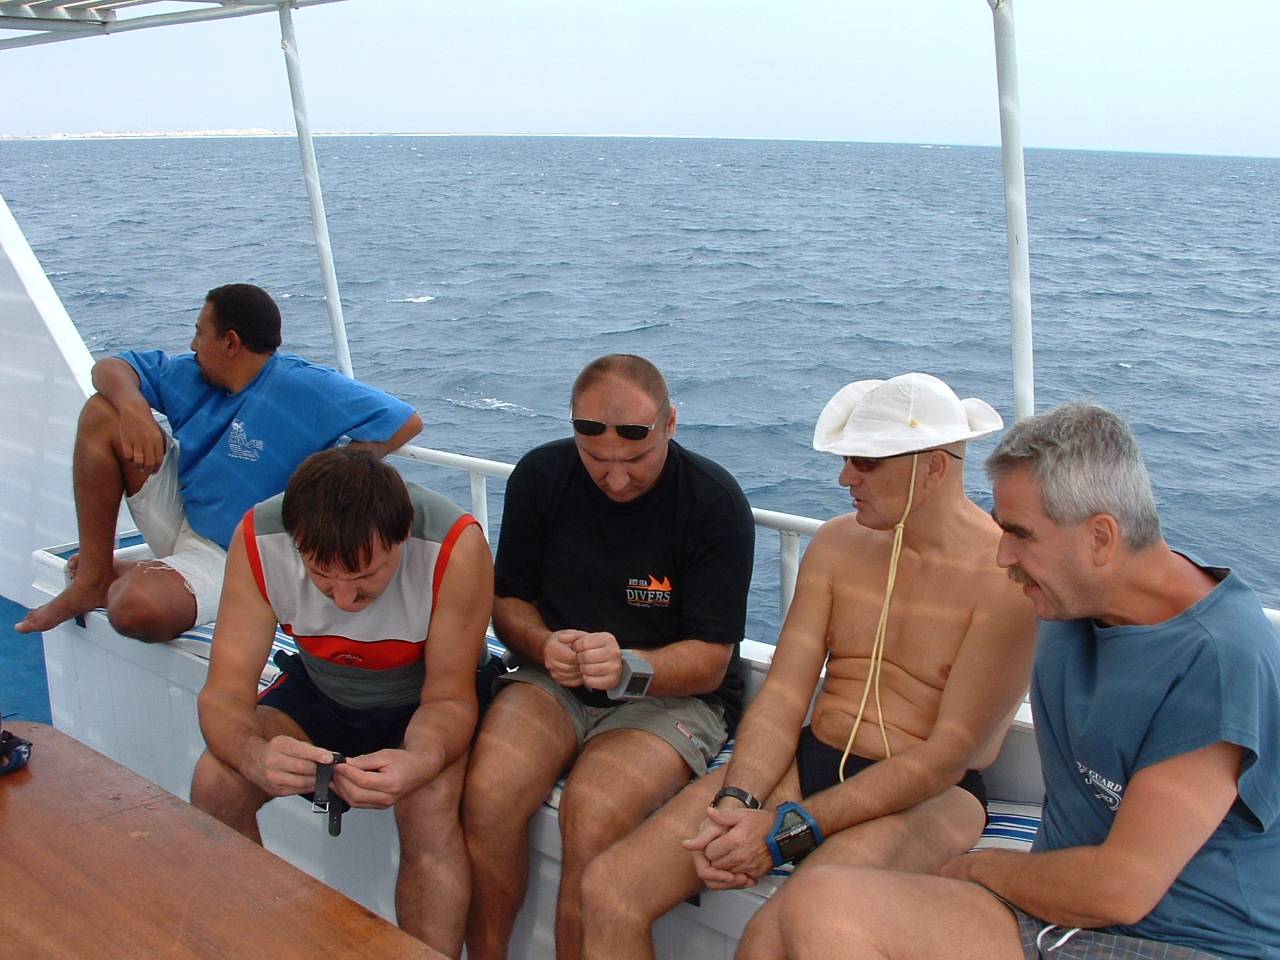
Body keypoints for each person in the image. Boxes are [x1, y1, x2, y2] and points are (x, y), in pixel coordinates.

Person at [772, 402, 1280, 960]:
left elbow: (1119, 890)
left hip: (1187, 940)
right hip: (1050, 915)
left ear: (1100, 538)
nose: (1001, 555)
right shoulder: (1069, 601)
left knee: (829, 907)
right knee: (809, 907)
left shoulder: (1218, 661)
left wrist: (974, 869)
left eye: (1019, 534)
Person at [580, 372, 1037, 960]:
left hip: (932, 798)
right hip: (813, 758)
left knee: (775, 938)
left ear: (932, 469)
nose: (845, 478)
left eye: (865, 462)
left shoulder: (1005, 583)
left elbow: (946, 756)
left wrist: (786, 832)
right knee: (610, 889)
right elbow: (784, 696)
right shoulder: (838, 545)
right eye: (847, 459)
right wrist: (737, 802)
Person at [462, 354, 756, 960]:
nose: (616, 480)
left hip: (674, 697)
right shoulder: (541, 477)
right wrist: (542, 644)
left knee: (593, 815)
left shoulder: (713, 502)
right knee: (488, 796)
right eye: (596, 459)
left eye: (636, 460)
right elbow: (508, 601)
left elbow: (710, 660)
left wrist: (628, 667)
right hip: (553, 679)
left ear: (670, 424)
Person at [191, 447, 492, 957]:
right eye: (322, 578)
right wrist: (254, 758)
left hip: (425, 697)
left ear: (403, 536)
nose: (345, 600)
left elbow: (448, 698)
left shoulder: (455, 547)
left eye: (365, 578)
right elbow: (224, 695)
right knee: (216, 783)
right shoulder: (258, 539)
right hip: (324, 682)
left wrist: (420, 761)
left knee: (429, 808)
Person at [15, 283, 422, 643]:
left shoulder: (306, 386)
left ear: (231, 342)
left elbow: (405, 420)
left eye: (199, 332)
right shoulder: (191, 375)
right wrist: (132, 406)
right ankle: (95, 576)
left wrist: (331, 473)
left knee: (133, 609)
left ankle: (144, 577)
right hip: (184, 513)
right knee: (102, 412)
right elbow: (110, 368)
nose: (193, 345)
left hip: (232, 554)